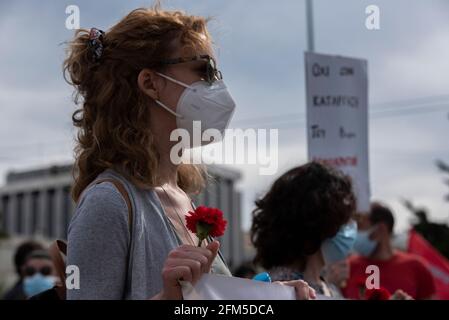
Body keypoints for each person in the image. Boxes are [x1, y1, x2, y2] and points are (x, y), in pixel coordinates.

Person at [65, 6, 314, 300]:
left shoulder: (182, 197)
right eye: (204, 70)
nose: (217, 85)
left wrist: (270, 298)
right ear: (150, 83)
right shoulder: (108, 202)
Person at [250, 162, 358, 298]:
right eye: (345, 220)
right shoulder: (279, 289)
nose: (350, 228)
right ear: (323, 223)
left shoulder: (326, 287)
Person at [343, 202, 436, 300]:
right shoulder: (347, 267)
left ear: (381, 228)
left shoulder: (417, 267)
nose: (353, 233)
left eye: (359, 227)